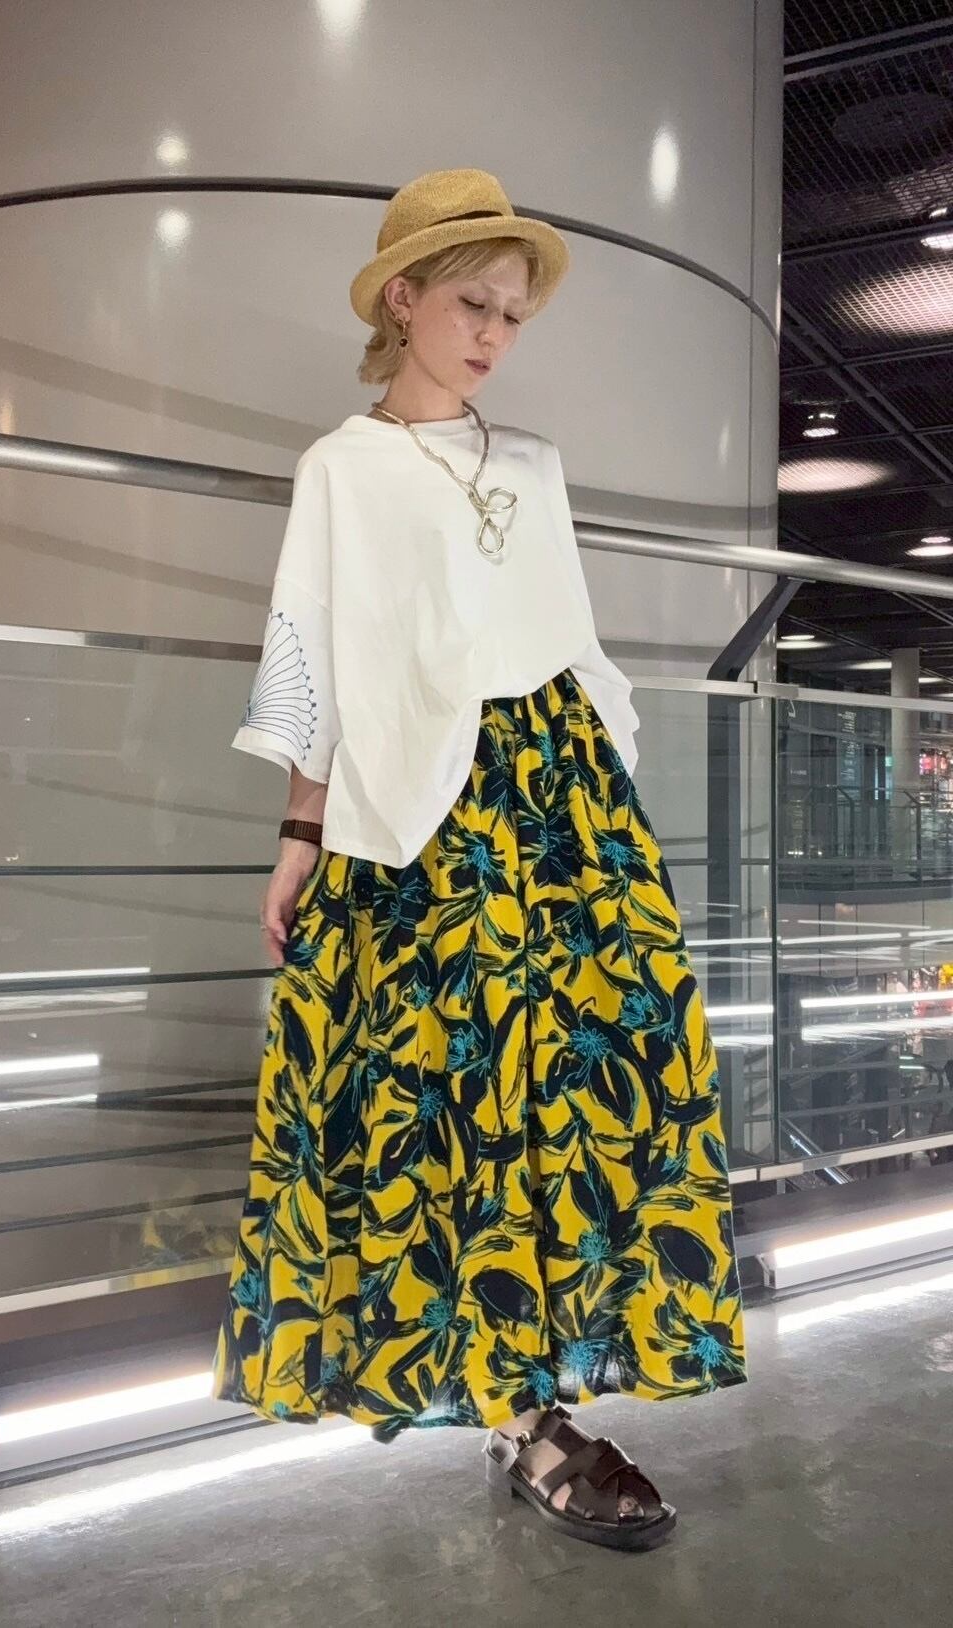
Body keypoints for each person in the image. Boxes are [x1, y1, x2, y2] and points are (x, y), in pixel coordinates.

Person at [212, 167, 748, 1552]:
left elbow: (567, 642)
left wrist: (608, 813)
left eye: (513, 313)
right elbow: (318, 659)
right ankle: (523, 1415)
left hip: (558, 794)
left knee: (600, 1067)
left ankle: (549, 1388)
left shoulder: (534, 465)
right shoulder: (342, 469)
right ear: (403, 298)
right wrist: (298, 834)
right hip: (419, 808)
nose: (497, 334)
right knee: (449, 1089)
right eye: (472, 304)